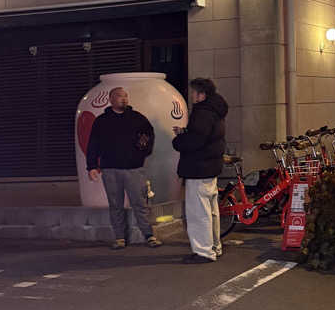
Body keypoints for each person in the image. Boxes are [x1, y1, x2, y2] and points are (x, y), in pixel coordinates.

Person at [86, 86, 161, 249]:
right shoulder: (101, 121)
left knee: (139, 203)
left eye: (126, 96)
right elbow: (93, 144)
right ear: (110, 99)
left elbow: (148, 137)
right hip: (110, 169)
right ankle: (119, 237)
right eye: (120, 96)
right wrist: (91, 166)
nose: (124, 99)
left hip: (133, 168)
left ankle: (149, 235)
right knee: (115, 204)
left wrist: (141, 153)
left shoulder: (138, 118)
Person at [172, 77, 228, 264]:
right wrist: (186, 132)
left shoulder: (202, 112)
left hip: (198, 167)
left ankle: (204, 252)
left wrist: (178, 140)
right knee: (211, 211)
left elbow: (196, 140)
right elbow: (205, 135)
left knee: (198, 213)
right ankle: (214, 246)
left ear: (201, 94)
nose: (192, 96)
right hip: (210, 167)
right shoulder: (215, 110)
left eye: (193, 92)